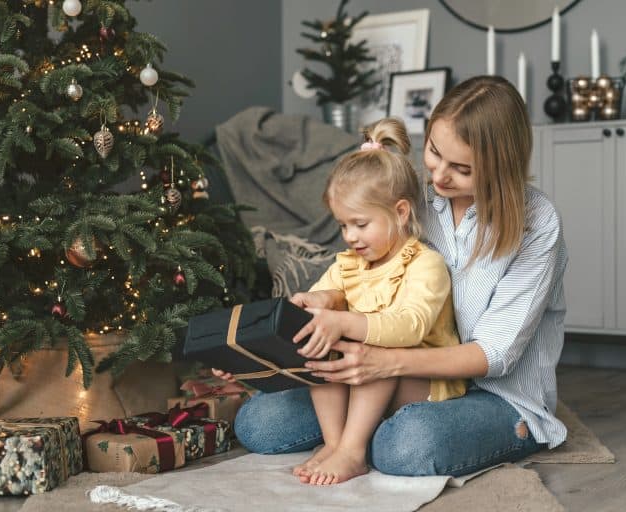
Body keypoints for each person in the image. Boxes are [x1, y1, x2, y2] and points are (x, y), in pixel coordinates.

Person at [217, 75, 568, 478]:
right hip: (403, 376)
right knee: (259, 422)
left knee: (406, 445)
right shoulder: (413, 199)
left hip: (496, 395)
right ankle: (354, 436)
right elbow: (356, 272)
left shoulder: (536, 224)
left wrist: (384, 362)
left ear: (500, 168)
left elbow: (495, 355)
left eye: (462, 169)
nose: (439, 177)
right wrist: (322, 306)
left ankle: (368, 437)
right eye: (434, 152)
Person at [220, 117, 466, 486]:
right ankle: (337, 444)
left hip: (420, 382)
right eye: (342, 225)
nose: (350, 236)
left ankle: (352, 449)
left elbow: (409, 325)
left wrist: (344, 322)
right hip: (362, 380)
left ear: (400, 213)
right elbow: (322, 299)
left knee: (363, 340)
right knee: (320, 339)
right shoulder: (348, 264)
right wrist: (310, 304)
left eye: (360, 224)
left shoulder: (424, 263)